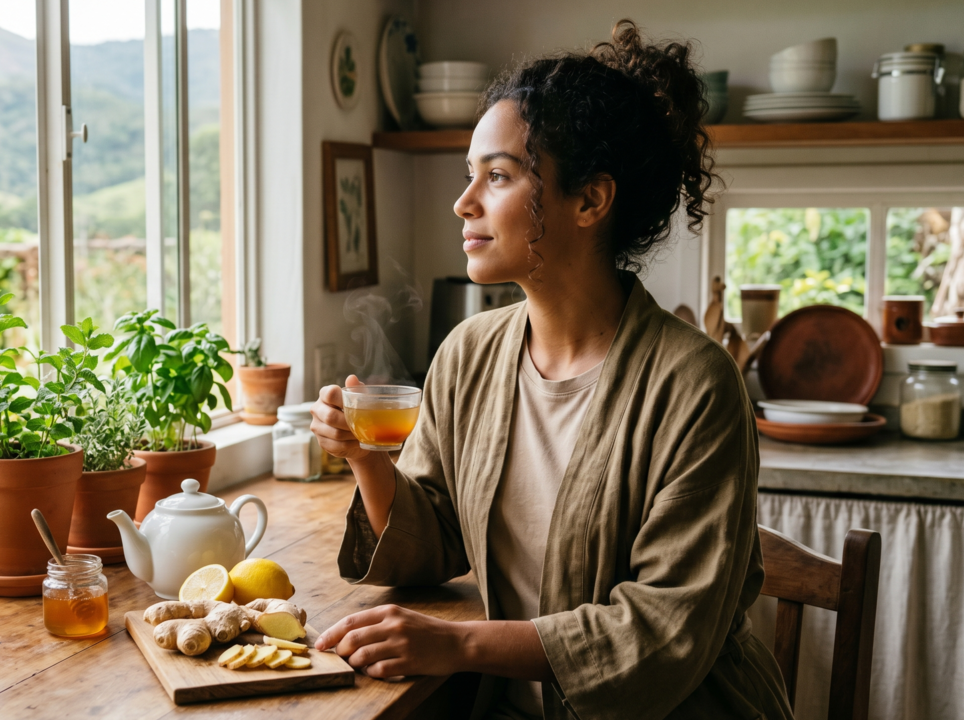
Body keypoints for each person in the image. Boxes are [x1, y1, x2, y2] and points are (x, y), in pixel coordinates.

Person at [309, 20, 794, 720]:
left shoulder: (695, 385)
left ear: (590, 200)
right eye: (467, 174)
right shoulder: (469, 353)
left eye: (498, 176)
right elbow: (436, 537)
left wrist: (461, 645)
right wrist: (364, 459)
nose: (464, 202)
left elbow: (663, 631)